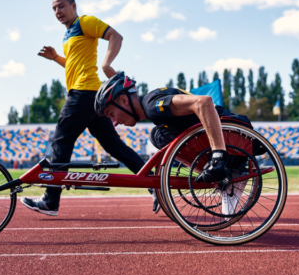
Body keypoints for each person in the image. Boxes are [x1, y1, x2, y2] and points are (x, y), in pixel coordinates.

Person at [21, 0, 155, 216]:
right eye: (54, 9)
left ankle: (50, 201)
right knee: (113, 145)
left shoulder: (85, 22)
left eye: (61, 6)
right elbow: (75, 66)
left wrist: (107, 64)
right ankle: (153, 184)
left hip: (83, 94)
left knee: (61, 142)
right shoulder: (69, 35)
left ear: (73, 5)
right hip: (92, 96)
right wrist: (56, 57)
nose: (58, 12)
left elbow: (116, 36)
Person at [95, 72, 253, 190]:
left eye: (111, 115)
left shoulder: (152, 105)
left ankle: (228, 170)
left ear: (124, 100)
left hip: (233, 137)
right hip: (230, 139)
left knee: (161, 136)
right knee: (157, 136)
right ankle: (225, 172)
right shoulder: (152, 109)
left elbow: (204, 102)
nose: (114, 123)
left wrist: (219, 156)